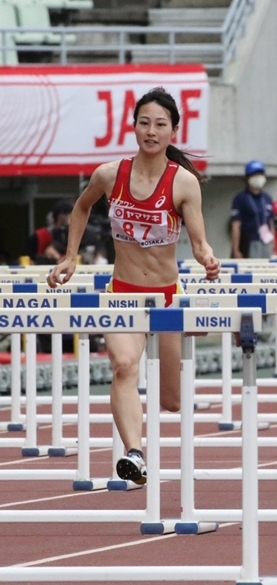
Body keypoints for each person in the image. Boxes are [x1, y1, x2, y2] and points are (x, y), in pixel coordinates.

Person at [46, 87, 220, 486]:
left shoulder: (183, 184)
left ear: (173, 131)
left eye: (160, 124)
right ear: (134, 127)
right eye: (144, 123)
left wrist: (208, 259)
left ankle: (142, 441)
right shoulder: (110, 175)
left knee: (171, 401)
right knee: (124, 367)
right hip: (122, 292)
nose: (151, 131)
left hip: (166, 297)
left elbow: (198, 243)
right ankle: (135, 453)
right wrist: (70, 255)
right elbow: (81, 206)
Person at [230, 160, 274, 259]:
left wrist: (273, 246)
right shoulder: (240, 199)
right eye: (254, 174)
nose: (258, 177)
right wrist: (236, 249)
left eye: (260, 174)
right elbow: (236, 225)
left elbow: (270, 223)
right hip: (248, 242)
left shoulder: (267, 198)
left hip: (265, 241)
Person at [26, 199, 72, 264]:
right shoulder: (38, 236)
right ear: (60, 217)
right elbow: (28, 259)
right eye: (71, 216)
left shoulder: (71, 235)